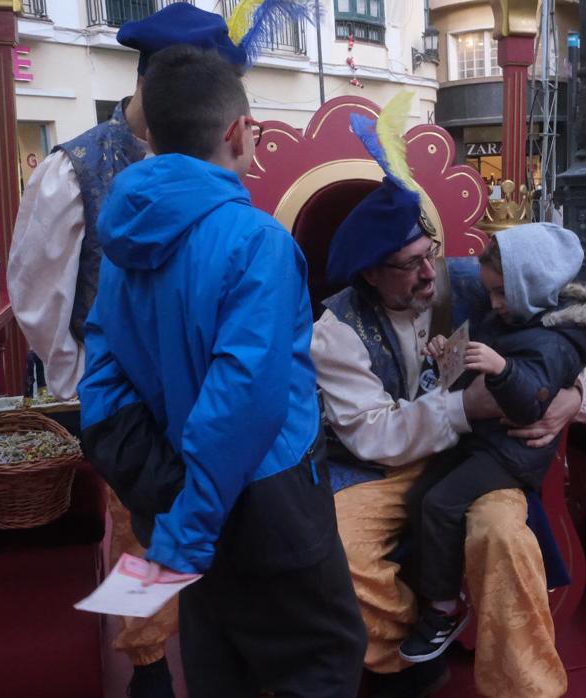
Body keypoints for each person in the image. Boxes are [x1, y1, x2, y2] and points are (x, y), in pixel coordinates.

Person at [12, 4, 320, 695]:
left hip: (201, 423)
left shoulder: (210, 166)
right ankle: (147, 655)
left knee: (201, 560)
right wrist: (100, 403)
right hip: (143, 413)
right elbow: (38, 297)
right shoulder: (76, 168)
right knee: (144, 531)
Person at [79, 44, 366, 697]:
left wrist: (166, 492)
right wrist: (188, 528)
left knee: (218, 657)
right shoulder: (256, 241)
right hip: (268, 497)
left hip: (179, 490)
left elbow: (101, 377)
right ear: (236, 133)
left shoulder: (124, 241)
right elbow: (242, 401)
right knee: (321, 658)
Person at [312, 96, 586, 697]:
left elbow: (567, 336)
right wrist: (465, 407)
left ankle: (526, 687)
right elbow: (373, 434)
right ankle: (404, 659)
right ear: (370, 273)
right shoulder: (335, 331)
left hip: (478, 460)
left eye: (429, 256)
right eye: (407, 267)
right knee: (337, 551)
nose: (428, 276)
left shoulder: (476, 282)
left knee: (503, 537)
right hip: (378, 470)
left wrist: (576, 393)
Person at [398, 223, 586, 665]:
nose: (493, 304)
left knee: (444, 505)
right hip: (476, 439)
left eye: (501, 294)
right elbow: (478, 362)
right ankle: (430, 594)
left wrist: (502, 371)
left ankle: (443, 609)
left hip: (510, 449)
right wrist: (450, 356)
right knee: (423, 497)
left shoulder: (544, 333)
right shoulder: (514, 313)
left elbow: (531, 396)